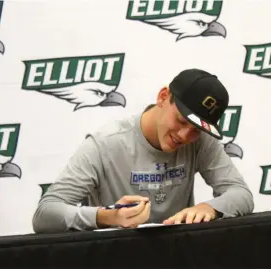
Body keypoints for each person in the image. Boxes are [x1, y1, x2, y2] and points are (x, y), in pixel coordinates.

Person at [32, 69, 254, 232]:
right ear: (163, 97)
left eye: (196, 129)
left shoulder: (201, 141)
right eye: (181, 120)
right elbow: (45, 214)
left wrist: (210, 207)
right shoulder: (105, 143)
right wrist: (108, 216)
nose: (185, 136)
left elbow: (241, 194)